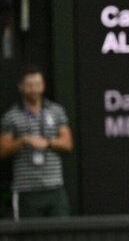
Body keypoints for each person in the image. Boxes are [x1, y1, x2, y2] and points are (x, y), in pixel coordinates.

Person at [0, 67, 73, 221]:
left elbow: (67, 143)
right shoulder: (11, 116)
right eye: (30, 85)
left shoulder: (56, 111)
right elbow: (3, 150)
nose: (34, 89)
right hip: (26, 190)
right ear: (21, 87)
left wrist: (48, 142)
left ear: (43, 85)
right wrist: (23, 140)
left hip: (54, 187)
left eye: (38, 84)